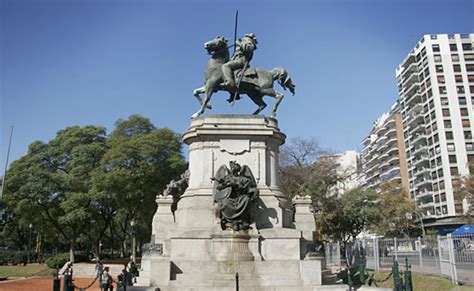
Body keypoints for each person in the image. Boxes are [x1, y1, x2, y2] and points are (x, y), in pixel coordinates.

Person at [221, 33, 258, 97]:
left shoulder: (250, 43)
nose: (245, 38)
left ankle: (230, 83)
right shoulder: (245, 42)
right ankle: (233, 93)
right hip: (236, 59)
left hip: (241, 60)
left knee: (225, 66)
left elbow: (247, 49)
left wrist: (239, 43)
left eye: (247, 37)